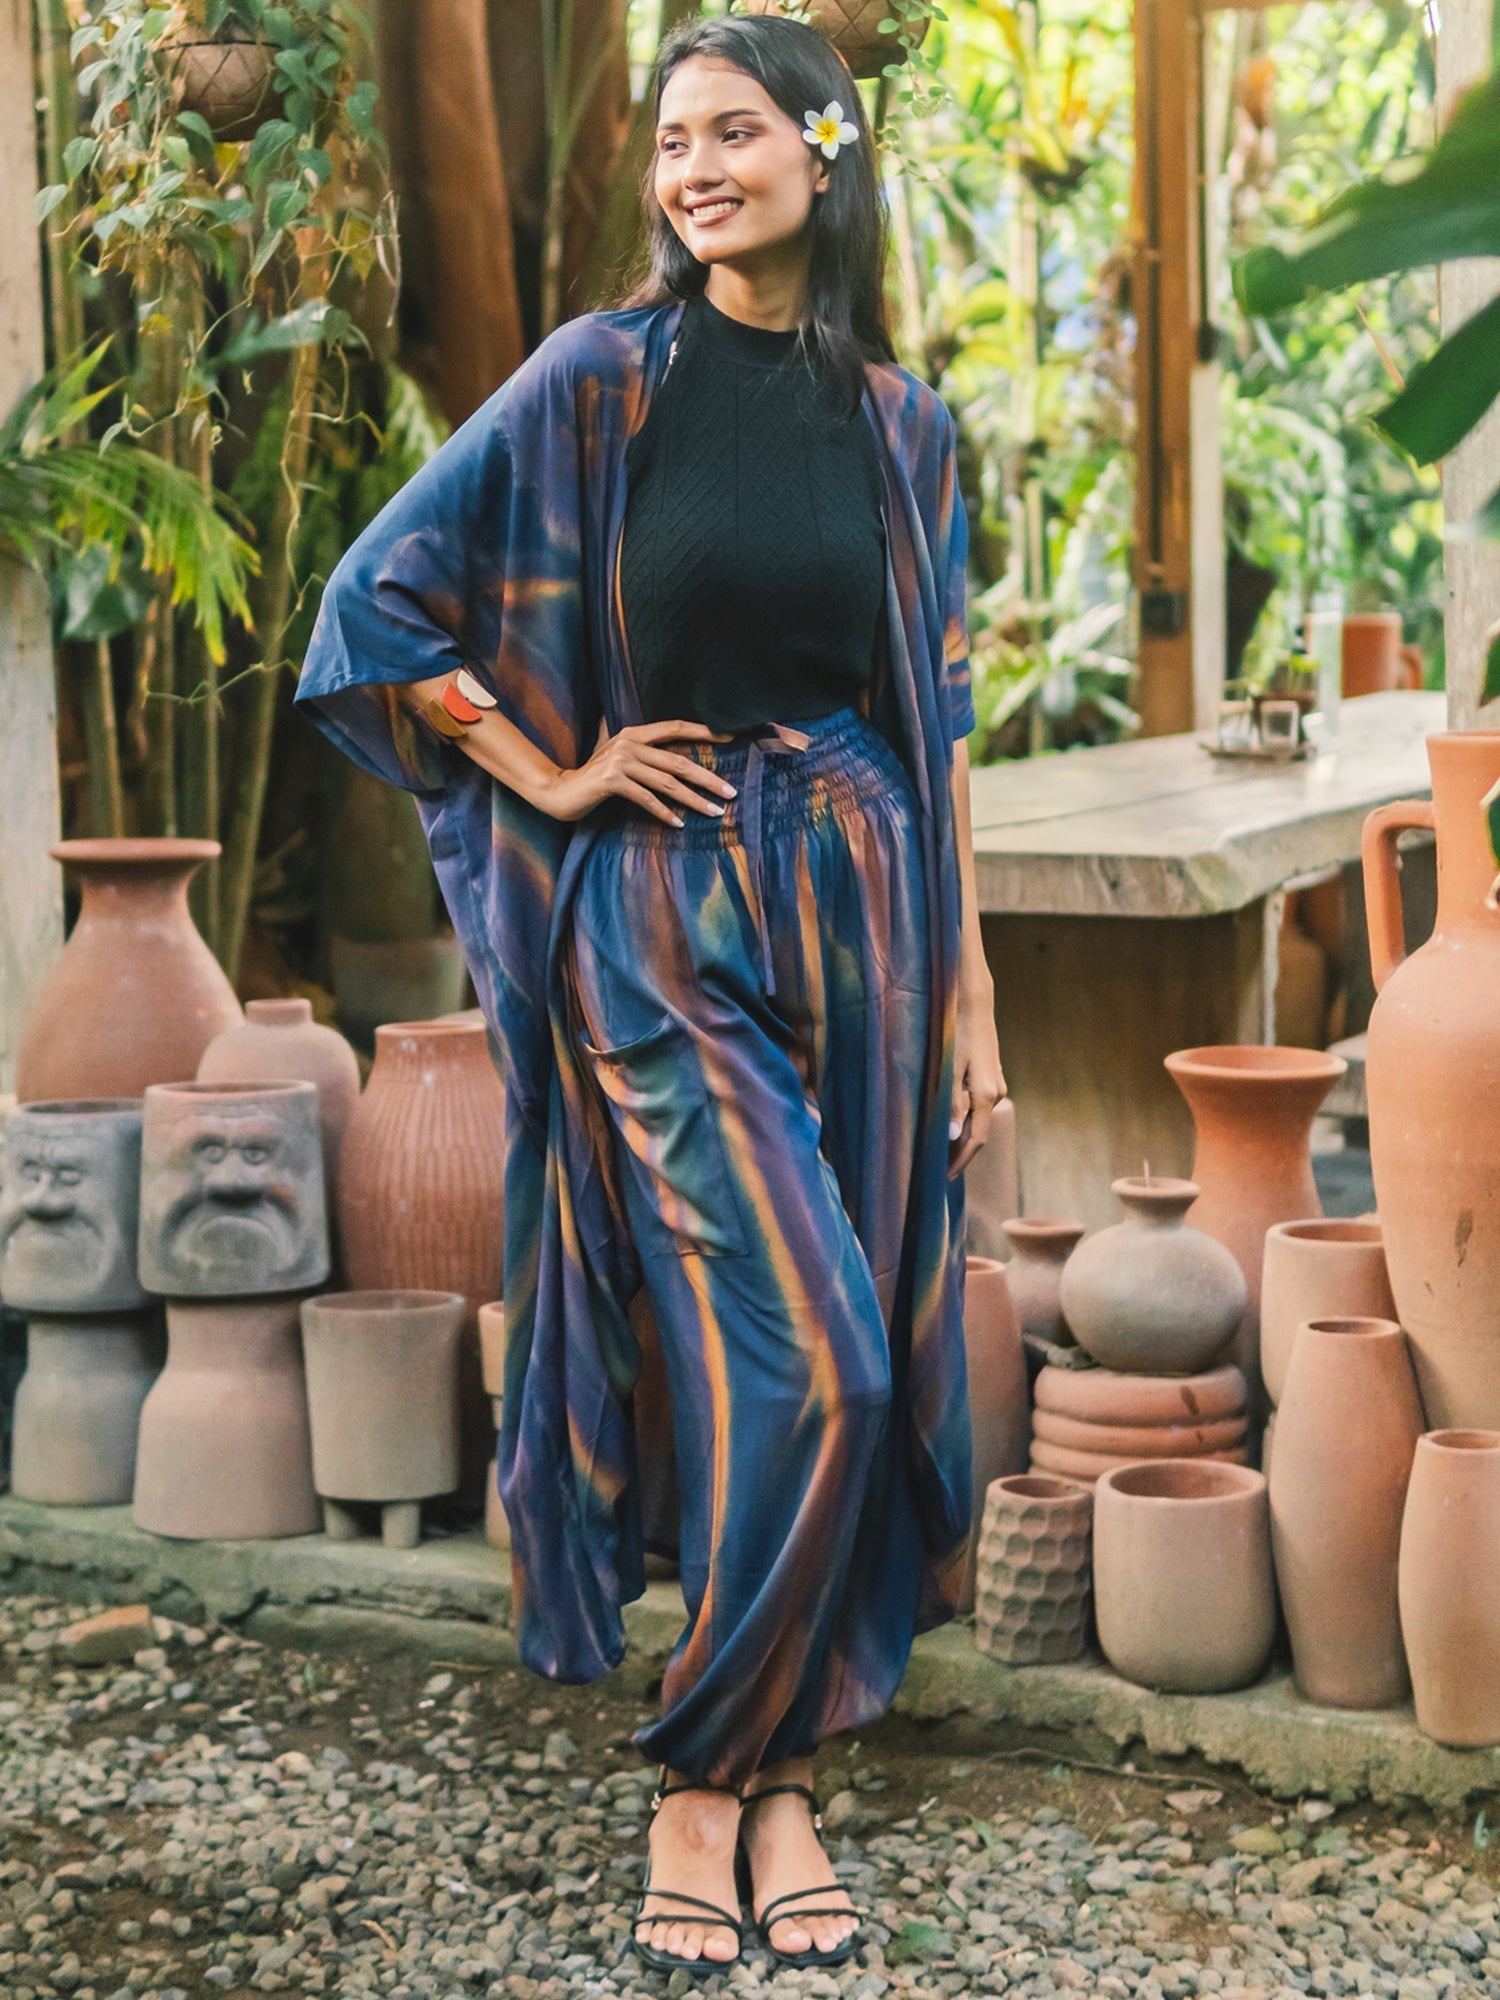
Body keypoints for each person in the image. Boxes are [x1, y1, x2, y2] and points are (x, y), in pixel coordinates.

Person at [295, 10, 1007, 1978]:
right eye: (673, 140)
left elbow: (936, 738)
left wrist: (977, 1023)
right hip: (663, 921)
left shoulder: (902, 431)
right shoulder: (595, 379)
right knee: (819, 1352)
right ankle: (707, 1783)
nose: (695, 168)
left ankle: (781, 1784)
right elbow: (383, 609)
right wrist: (548, 767)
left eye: (735, 131)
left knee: (809, 1340)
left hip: (860, 902)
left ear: (824, 151)